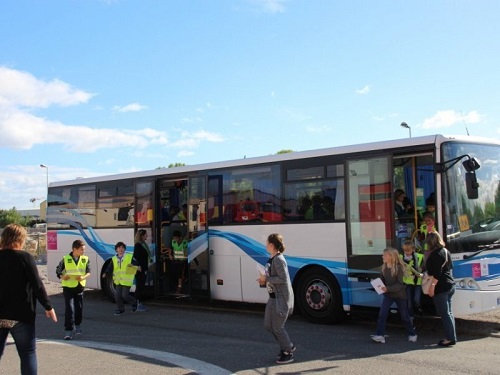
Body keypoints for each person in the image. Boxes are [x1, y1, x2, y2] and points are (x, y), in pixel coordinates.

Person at [0, 224, 57, 375]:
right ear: (20, 239)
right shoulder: (25, 258)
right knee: (27, 354)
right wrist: (48, 306)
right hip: (21, 315)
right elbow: (37, 285)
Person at [257, 233, 295, 364]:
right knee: (268, 325)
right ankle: (286, 346)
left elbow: (283, 279)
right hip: (273, 297)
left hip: (281, 299)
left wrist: (266, 278)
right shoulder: (272, 258)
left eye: (267, 243)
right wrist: (263, 281)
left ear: (272, 245)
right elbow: (273, 278)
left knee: (278, 327)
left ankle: (288, 350)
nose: (266, 245)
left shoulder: (278, 260)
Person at [371, 248, 417, 344]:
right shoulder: (384, 267)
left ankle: (412, 334)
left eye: (384, 255)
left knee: (405, 316)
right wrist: (378, 285)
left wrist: (387, 288)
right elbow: (382, 281)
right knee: (382, 314)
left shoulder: (399, 267)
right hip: (388, 295)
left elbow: (400, 285)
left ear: (391, 256)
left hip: (400, 295)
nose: (382, 256)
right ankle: (380, 335)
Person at [424, 232, 457, 346]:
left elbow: (436, 274)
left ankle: (450, 338)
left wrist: (432, 287)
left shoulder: (434, 255)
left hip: (440, 287)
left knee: (444, 314)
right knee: (449, 313)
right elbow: (450, 267)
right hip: (450, 285)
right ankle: (452, 336)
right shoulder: (446, 251)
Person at [56, 239, 90, 340]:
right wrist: (63, 276)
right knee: (69, 309)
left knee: (79, 308)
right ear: (74, 249)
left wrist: (83, 277)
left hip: (79, 287)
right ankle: (68, 330)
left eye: (84, 250)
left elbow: (88, 272)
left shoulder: (85, 259)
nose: (83, 251)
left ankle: (78, 325)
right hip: (68, 288)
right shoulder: (65, 259)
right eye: (81, 249)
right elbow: (58, 271)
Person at [102, 242, 141, 315]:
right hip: (118, 280)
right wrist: (106, 273)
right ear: (116, 249)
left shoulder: (129, 257)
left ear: (125, 249)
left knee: (125, 296)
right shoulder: (114, 259)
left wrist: (135, 266)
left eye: (123, 248)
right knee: (117, 296)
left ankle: (134, 302)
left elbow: (137, 265)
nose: (121, 249)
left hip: (126, 280)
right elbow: (110, 268)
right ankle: (121, 309)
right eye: (119, 248)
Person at [400, 240, 424, 322]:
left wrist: (419, 272)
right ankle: (411, 319)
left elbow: (423, 269)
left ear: (413, 249)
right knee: (409, 301)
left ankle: (418, 309)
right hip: (407, 282)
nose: (406, 252)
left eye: (408, 250)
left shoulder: (420, 257)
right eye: (404, 250)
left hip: (417, 282)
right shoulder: (400, 257)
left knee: (416, 300)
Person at [133, 229, 150, 311]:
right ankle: (136, 304)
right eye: (146, 235)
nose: (147, 236)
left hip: (143, 268)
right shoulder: (138, 246)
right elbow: (135, 257)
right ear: (142, 236)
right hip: (139, 269)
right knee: (139, 286)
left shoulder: (143, 244)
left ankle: (138, 303)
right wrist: (138, 266)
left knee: (141, 286)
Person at [167, 230, 188, 294]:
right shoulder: (173, 242)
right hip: (175, 261)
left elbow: (187, 251)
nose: (175, 239)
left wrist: (186, 253)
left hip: (183, 261)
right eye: (174, 238)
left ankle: (179, 288)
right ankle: (184, 279)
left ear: (180, 237)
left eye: (176, 238)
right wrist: (170, 255)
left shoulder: (185, 242)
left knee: (179, 274)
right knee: (176, 274)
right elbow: (170, 249)